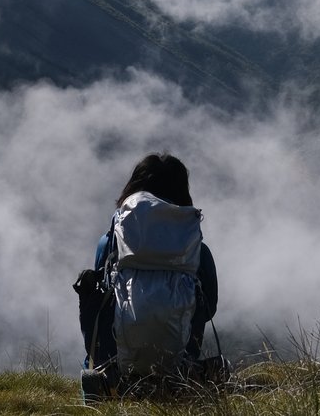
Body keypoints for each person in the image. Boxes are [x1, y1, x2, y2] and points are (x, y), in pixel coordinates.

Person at [78, 152, 218, 378]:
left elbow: (101, 301)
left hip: (115, 366)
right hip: (180, 366)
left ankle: (103, 373)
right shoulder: (198, 253)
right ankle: (186, 370)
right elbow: (209, 307)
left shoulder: (110, 243)